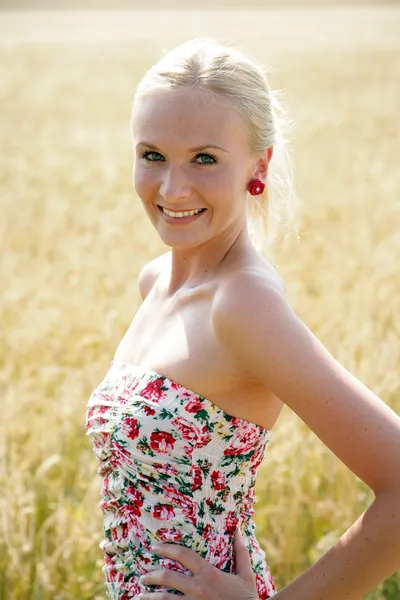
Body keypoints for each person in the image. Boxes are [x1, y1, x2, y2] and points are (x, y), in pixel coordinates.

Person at [85, 37, 400, 600]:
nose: (172, 188)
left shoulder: (244, 305)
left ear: (260, 164)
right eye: (152, 154)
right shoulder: (156, 281)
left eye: (204, 158)